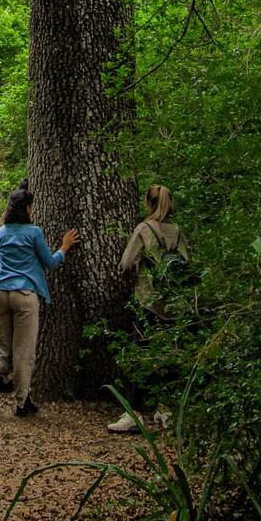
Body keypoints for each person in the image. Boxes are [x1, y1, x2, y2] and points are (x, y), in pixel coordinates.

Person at [0, 179, 79, 419]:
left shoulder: (0, 233)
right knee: (23, 350)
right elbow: (50, 262)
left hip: (0, 294)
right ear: (27, 209)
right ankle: (22, 401)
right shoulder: (34, 232)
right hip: (24, 295)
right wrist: (64, 247)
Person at [107, 183, 189, 434]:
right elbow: (187, 263)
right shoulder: (177, 231)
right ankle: (165, 410)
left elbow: (126, 262)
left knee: (140, 356)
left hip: (148, 301)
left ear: (147, 203)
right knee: (168, 356)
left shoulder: (144, 229)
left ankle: (133, 413)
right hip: (174, 304)